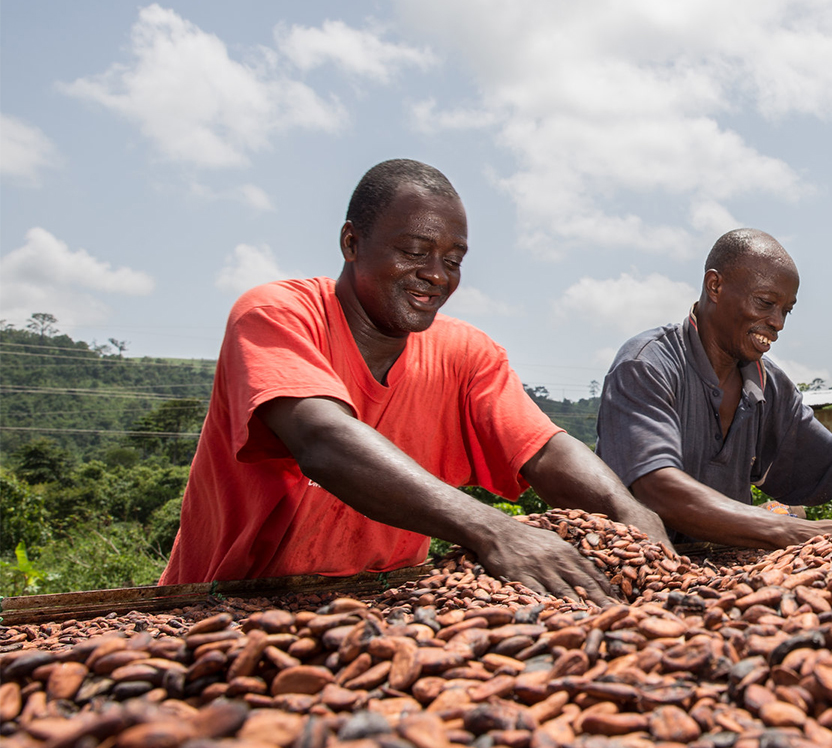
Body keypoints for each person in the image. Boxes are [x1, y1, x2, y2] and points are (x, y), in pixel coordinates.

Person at [160, 159, 667, 601]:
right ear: (352, 242)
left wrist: (628, 511)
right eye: (414, 250)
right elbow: (323, 440)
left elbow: (544, 450)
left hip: (385, 607)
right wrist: (493, 531)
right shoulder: (276, 314)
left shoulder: (466, 354)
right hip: (222, 604)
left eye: (452, 260)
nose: (436, 274)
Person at [597, 228, 832, 548]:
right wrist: (784, 529)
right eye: (765, 303)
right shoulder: (647, 365)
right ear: (715, 286)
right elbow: (657, 487)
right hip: (632, 567)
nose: (777, 323)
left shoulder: (768, 386)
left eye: (787, 310)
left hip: (720, 566)